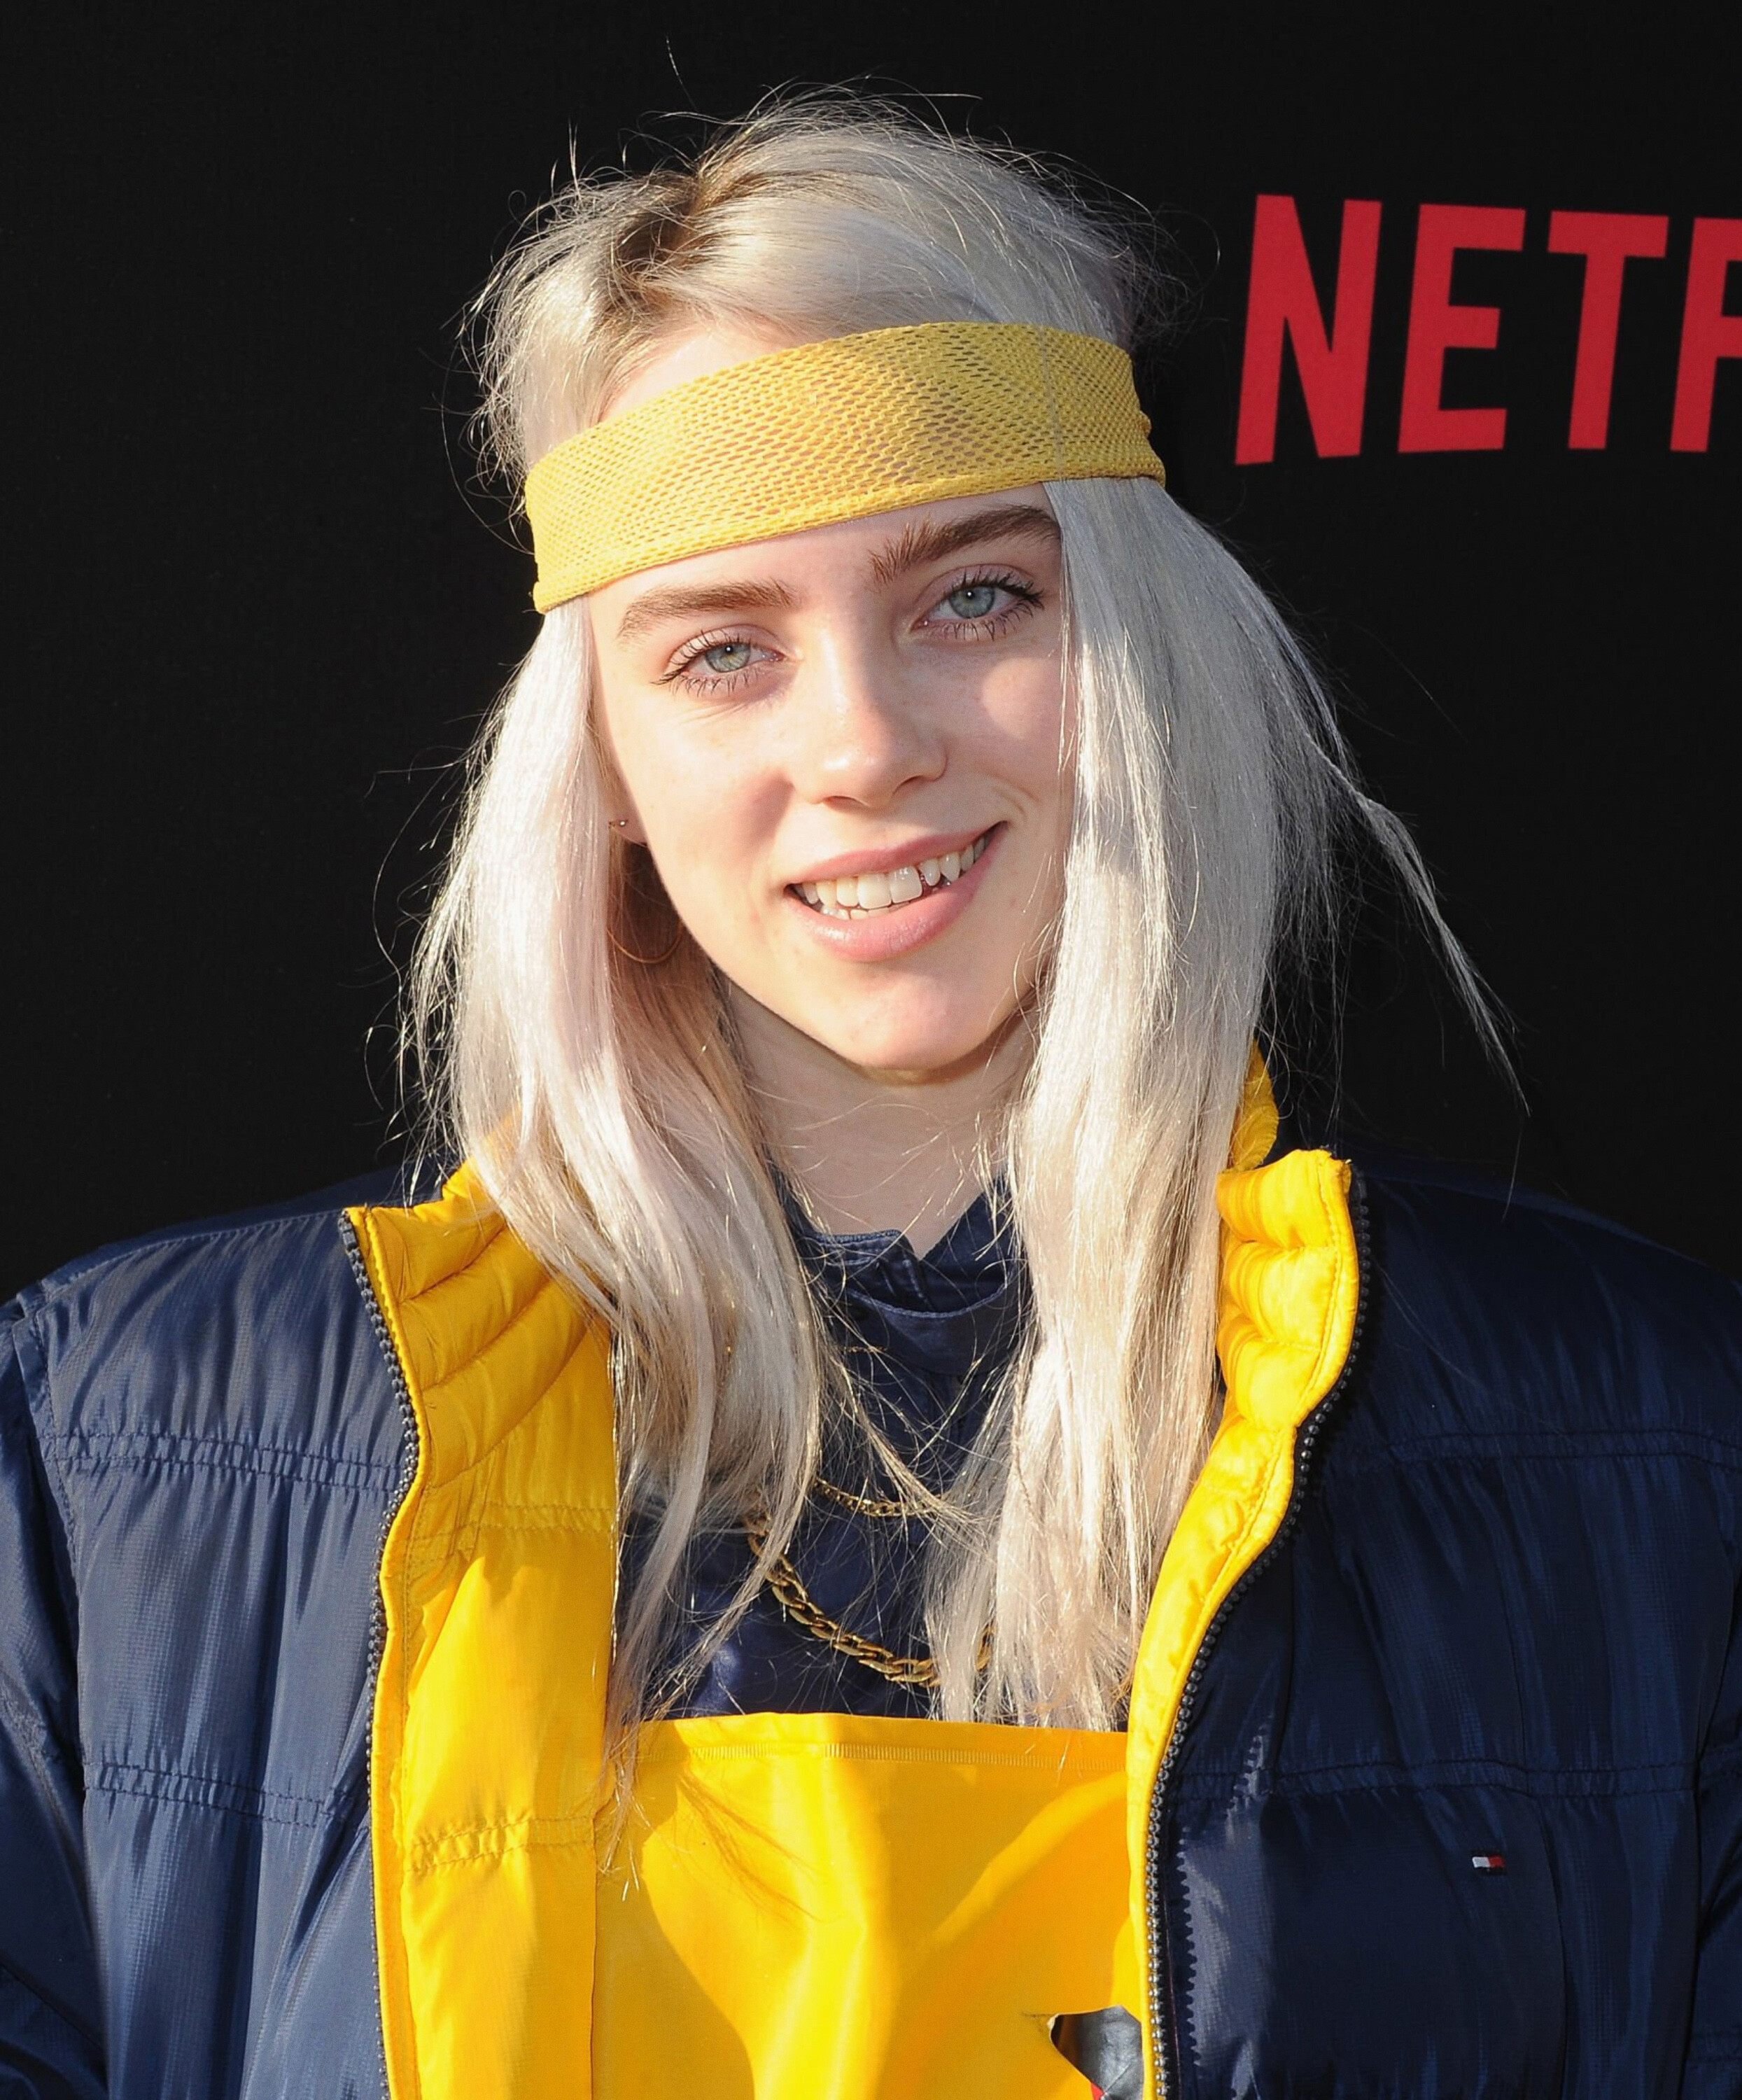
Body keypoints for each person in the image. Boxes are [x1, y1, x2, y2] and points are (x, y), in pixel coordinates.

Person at [3, 94, 1739, 2100]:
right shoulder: (112, 1448)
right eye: (722, 651)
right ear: (602, 761)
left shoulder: (1651, 1440)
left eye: (974, 597)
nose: (863, 746)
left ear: (1141, 646)